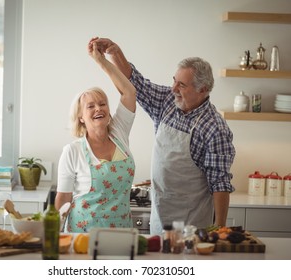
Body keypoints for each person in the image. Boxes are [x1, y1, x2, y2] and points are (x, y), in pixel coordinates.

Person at [92, 37, 236, 235]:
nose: (173, 89)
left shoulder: (214, 128)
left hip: (191, 225)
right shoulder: (168, 102)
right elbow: (136, 84)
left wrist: (220, 230)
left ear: (202, 89)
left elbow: (220, 184)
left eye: (182, 85)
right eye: (174, 81)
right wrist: (115, 53)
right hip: (160, 217)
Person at [55, 38, 137, 233]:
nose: (98, 109)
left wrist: (101, 61)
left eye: (102, 104)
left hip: (122, 235)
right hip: (82, 238)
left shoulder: (119, 132)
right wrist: (54, 238)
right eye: (90, 106)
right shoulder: (72, 151)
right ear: (81, 117)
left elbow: (129, 92)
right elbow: (63, 199)